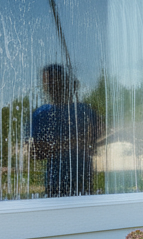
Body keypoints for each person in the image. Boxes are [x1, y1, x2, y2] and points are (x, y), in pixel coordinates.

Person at [28, 64, 101, 197]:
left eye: (54, 82)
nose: (50, 87)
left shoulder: (84, 111)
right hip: (54, 183)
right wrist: (72, 143)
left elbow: (94, 143)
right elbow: (34, 153)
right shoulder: (41, 114)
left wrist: (57, 145)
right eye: (46, 83)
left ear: (65, 83)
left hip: (83, 180)